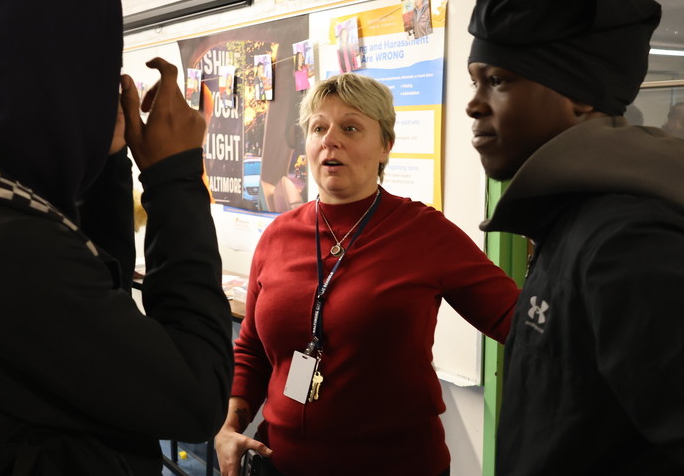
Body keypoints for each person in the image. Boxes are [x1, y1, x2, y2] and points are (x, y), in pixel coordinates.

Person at [0, 0, 233, 474]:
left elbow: (94, 308)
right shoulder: (9, 254)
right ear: (63, 74)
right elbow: (195, 394)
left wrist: (108, 163)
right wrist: (176, 178)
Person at [466, 0, 684, 474]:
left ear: (580, 98)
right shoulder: (571, 221)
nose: (475, 103)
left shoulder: (632, 243)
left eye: (499, 80)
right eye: (476, 80)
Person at [214, 72, 520, 476]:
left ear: (385, 146)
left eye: (351, 127)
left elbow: (518, 323)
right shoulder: (279, 235)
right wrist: (229, 426)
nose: (329, 140)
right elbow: (252, 348)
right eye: (318, 127)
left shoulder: (423, 231)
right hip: (283, 463)